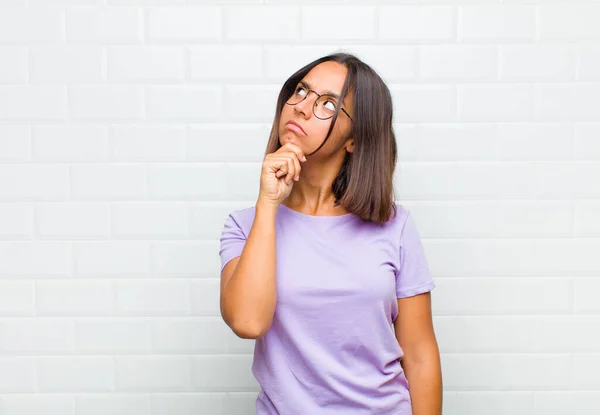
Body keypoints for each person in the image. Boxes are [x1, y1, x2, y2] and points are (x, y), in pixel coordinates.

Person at [219, 52, 442, 414]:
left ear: (354, 139)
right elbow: (247, 321)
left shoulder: (394, 225)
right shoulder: (246, 225)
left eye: (326, 104)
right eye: (301, 91)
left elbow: (419, 355)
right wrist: (268, 203)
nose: (302, 108)